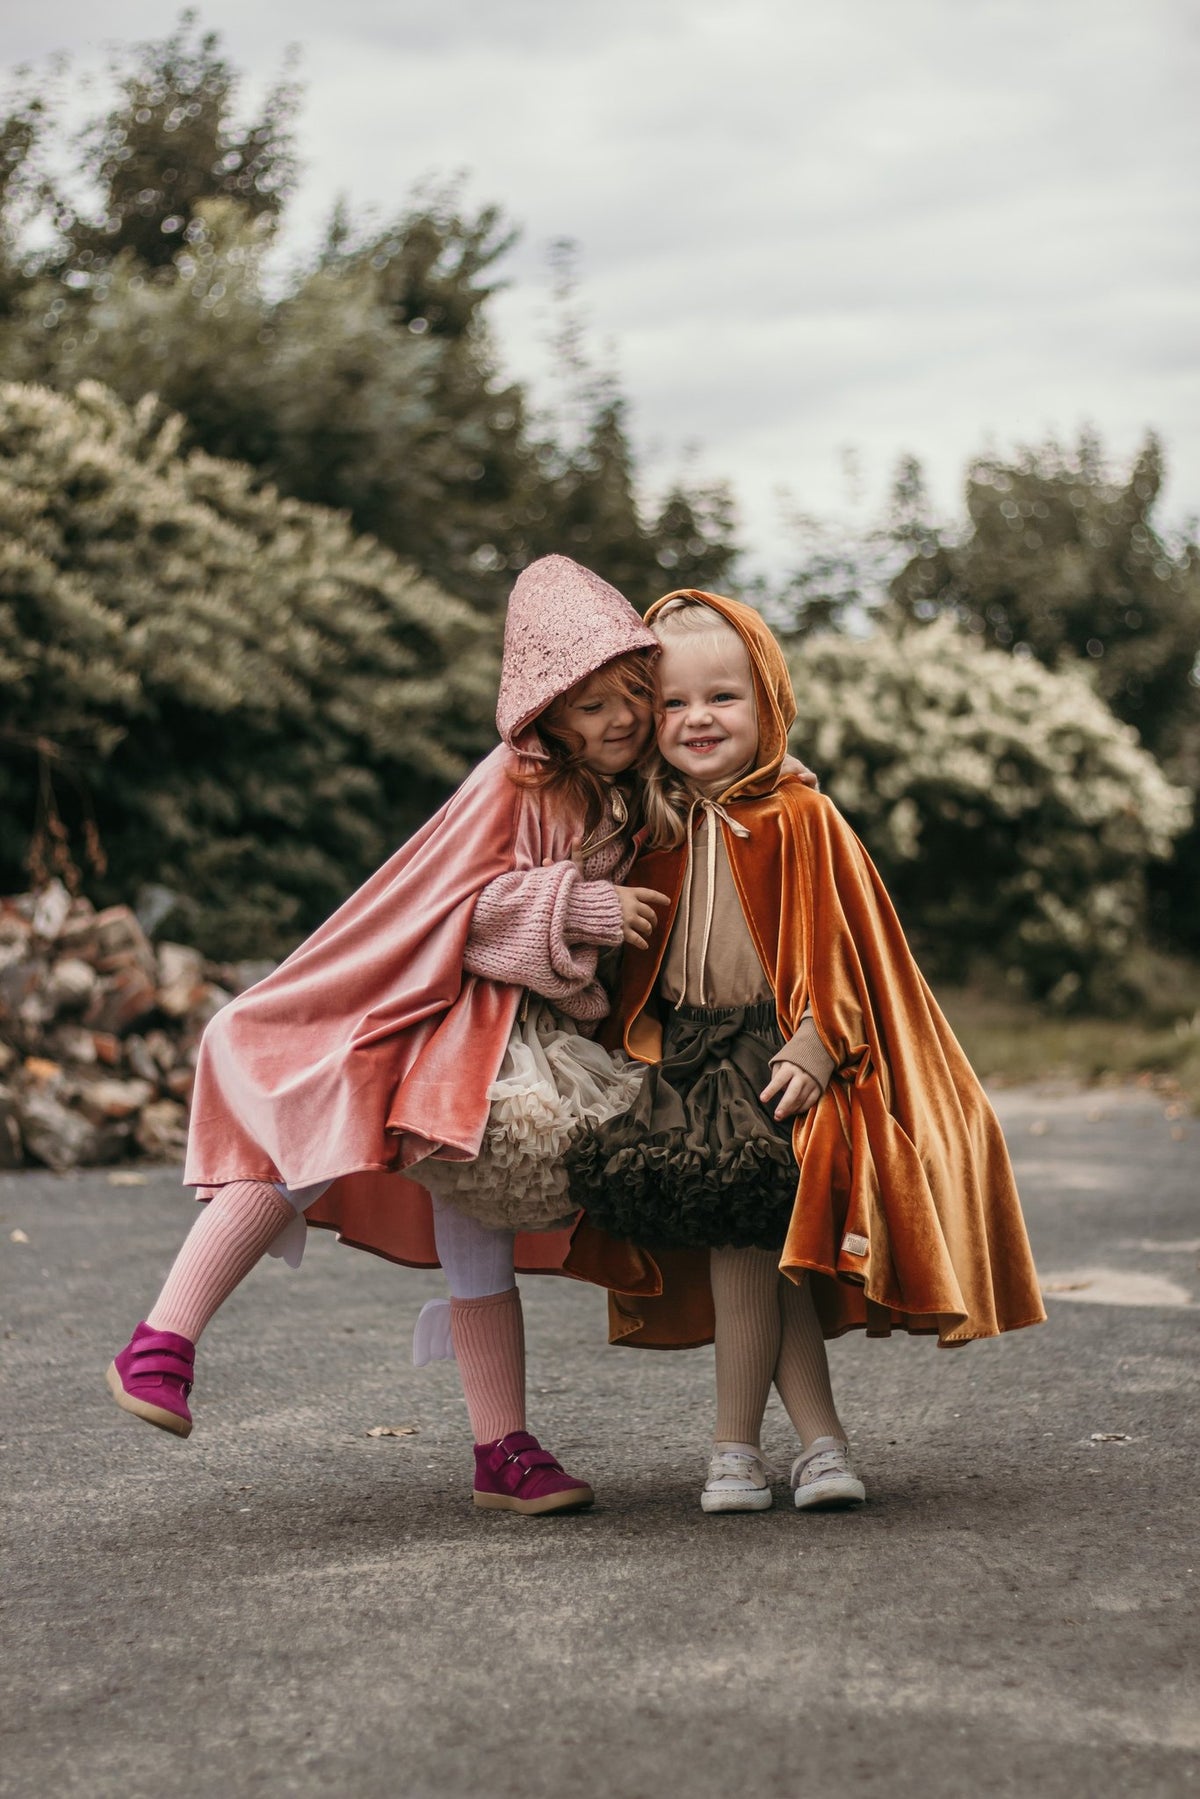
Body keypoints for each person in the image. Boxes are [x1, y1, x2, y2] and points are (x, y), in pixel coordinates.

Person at [106, 555, 674, 1516]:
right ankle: (161, 1340)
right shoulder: (518, 779)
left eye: (627, 694)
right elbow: (459, 906)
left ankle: (503, 1447)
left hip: (509, 1038)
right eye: (585, 706)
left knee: (480, 1225)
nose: (614, 720)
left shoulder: (621, 791)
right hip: (420, 1013)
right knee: (312, 1145)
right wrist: (580, 909)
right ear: (544, 713)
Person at [565, 589, 1046, 1515]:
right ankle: (822, 1444)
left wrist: (820, 1047)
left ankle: (733, 1449)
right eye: (673, 703)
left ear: (769, 703)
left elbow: (851, 950)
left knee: (748, 1247)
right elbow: (639, 966)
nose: (697, 719)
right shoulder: (649, 824)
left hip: (776, 1056)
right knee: (760, 1253)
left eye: (724, 698)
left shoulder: (801, 817)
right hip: (686, 1062)